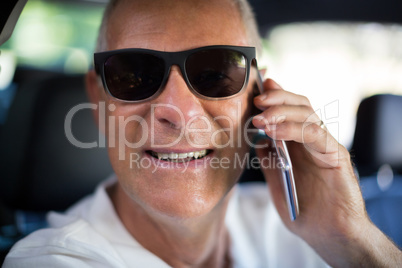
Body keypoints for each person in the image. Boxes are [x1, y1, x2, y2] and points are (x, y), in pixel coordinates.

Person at [4, 0, 402, 267]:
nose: (178, 112)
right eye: (135, 75)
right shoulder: (54, 259)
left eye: (215, 74)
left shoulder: (305, 235)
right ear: (98, 97)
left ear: (259, 95)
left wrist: (352, 238)